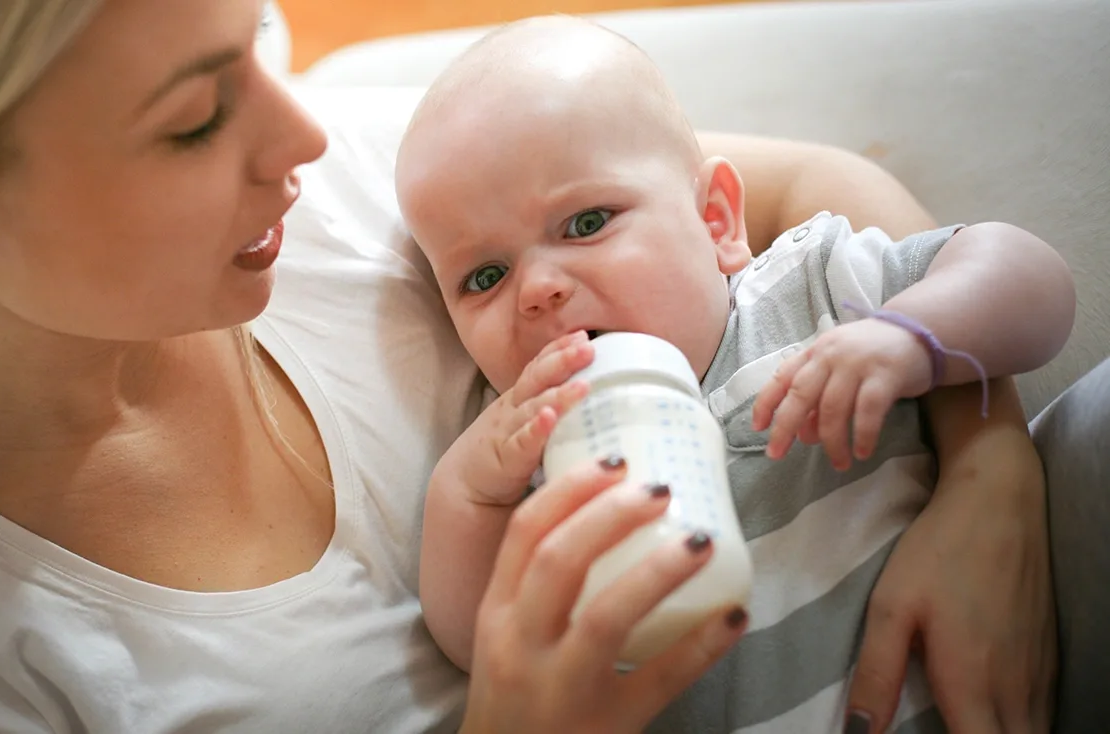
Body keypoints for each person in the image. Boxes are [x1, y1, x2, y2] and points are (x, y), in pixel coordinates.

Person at [0, 2, 1066, 733]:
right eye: (192, 119)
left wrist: (986, 474)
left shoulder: (331, 192)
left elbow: (798, 197)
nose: (306, 133)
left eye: (263, 38)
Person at [396, 16, 1076, 734]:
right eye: (486, 276)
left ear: (716, 220)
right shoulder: (545, 459)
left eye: (586, 223)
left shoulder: (813, 289)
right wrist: (466, 495)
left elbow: (1032, 280)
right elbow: (480, 648)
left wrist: (910, 338)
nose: (537, 289)